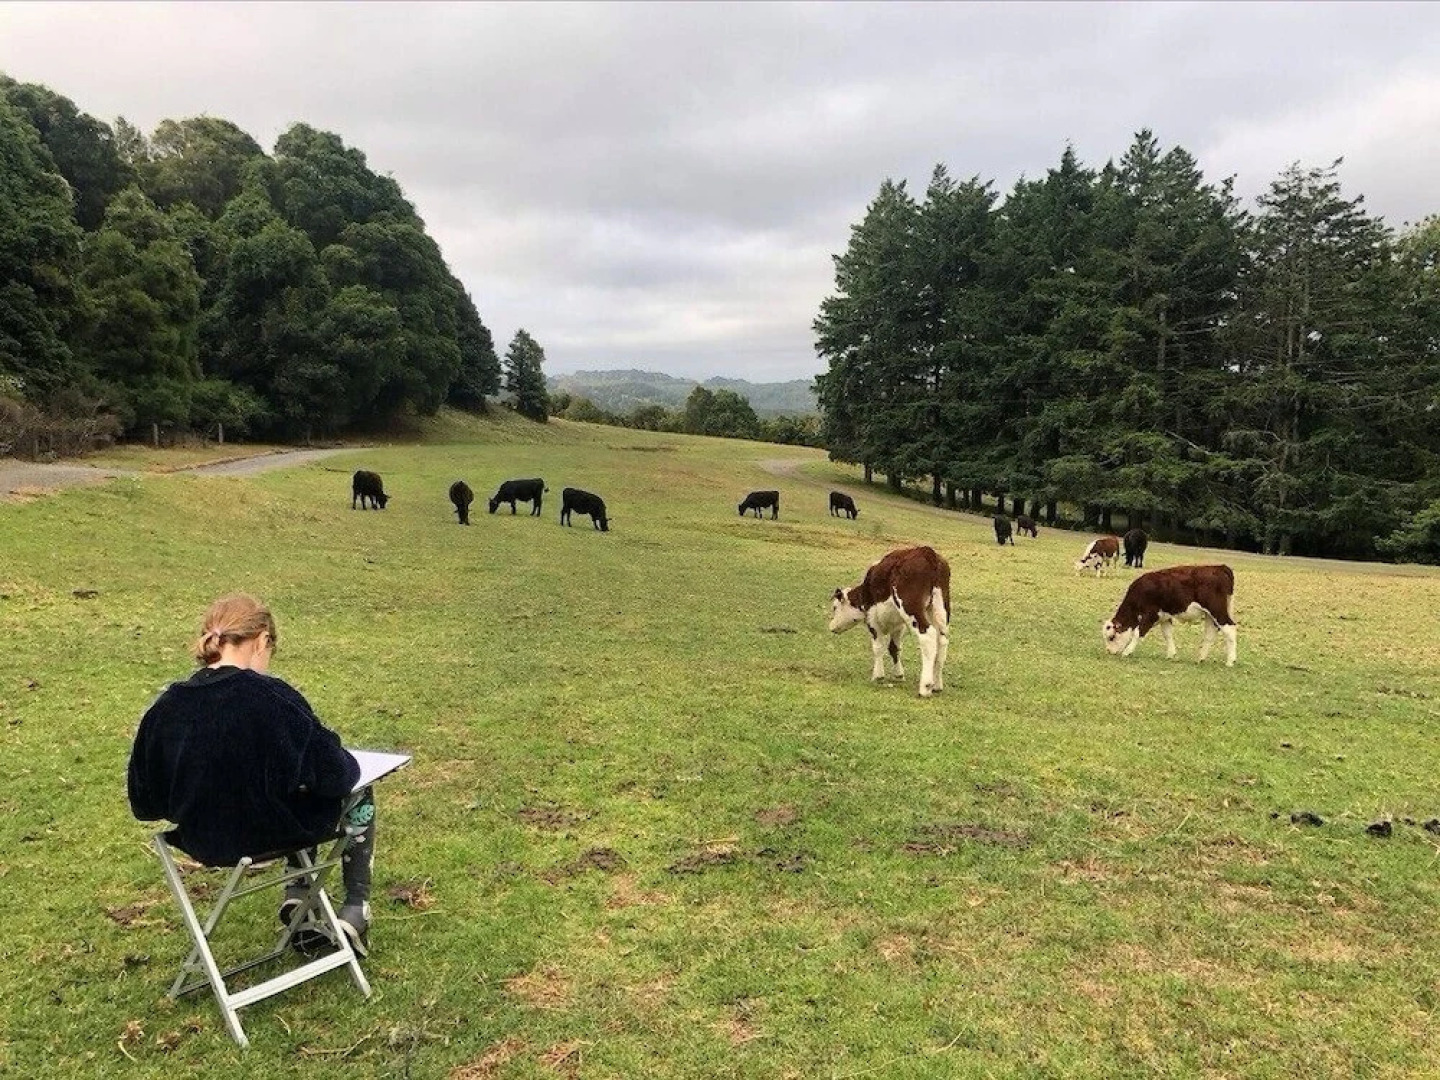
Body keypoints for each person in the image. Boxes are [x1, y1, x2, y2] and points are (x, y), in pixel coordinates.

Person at [128, 594, 376, 956]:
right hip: (272, 833)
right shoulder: (273, 698)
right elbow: (339, 775)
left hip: (203, 841)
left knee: (294, 788)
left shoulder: (165, 707)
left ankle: (300, 895)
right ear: (262, 640)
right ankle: (355, 909)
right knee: (351, 791)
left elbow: (145, 804)